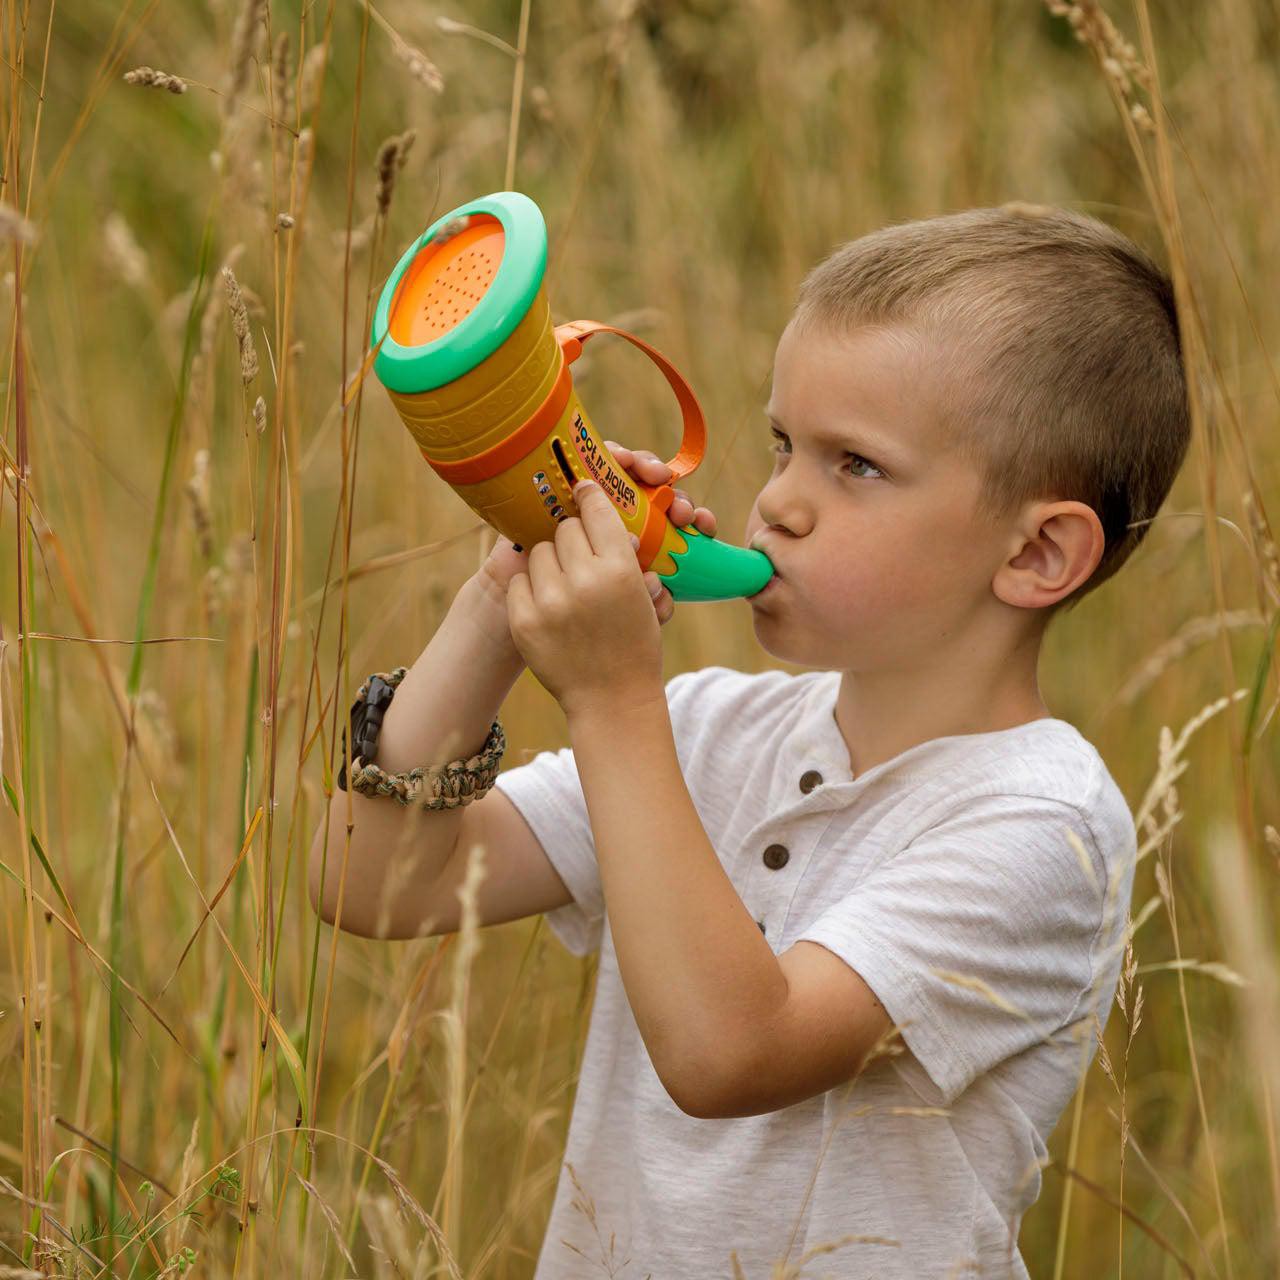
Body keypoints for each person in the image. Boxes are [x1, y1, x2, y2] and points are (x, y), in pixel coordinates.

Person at [309, 202, 1189, 1278]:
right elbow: (374, 884)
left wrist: (612, 699)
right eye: (783, 445)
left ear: (1038, 553)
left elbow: (730, 1048)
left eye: (852, 465)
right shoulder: (708, 727)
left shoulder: (1040, 823)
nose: (775, 500)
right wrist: (499, 605)